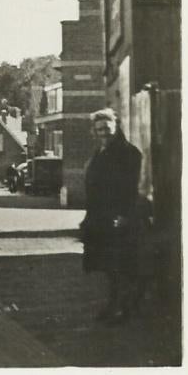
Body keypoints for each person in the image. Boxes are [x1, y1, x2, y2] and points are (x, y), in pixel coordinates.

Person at [80, 107, 146, 324]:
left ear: (116, 127)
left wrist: (124, 215)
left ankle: (124, 309)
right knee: (108, 266)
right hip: (100, 218)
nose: (103, 133)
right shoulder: (100, 151)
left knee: (120, 266)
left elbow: (130, 188)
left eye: (107, 128)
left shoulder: (128, 153)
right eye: (99, 129)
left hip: (118, 219)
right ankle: (115, 306)